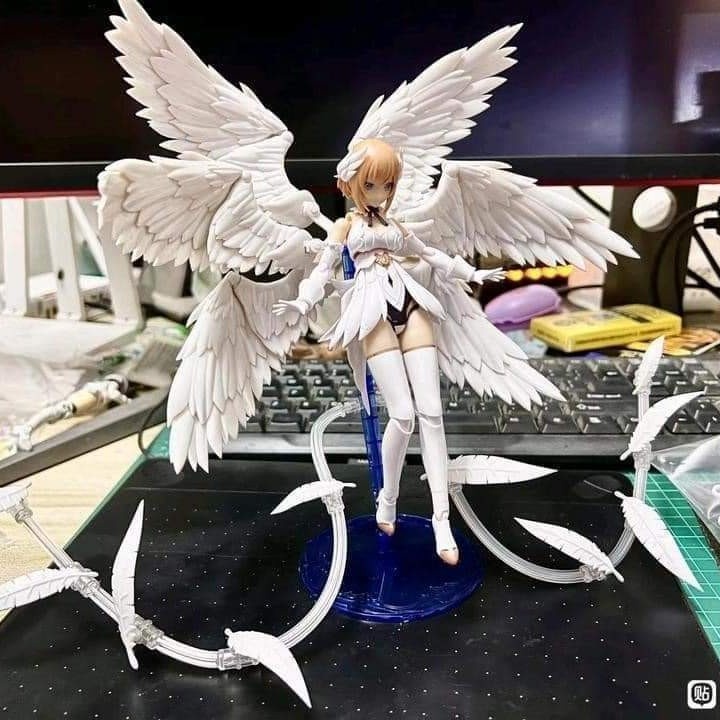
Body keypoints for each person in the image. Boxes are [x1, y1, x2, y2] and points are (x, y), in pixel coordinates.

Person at [273, 138, 506, 565]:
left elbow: (429, 254)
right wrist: (303, 303)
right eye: (372, 185)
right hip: (372, 310)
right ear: (349, 183)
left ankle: (441, 519)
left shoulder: (395, 224)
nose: (381, 193)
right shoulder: (344, 227)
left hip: (409, 302)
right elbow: (323, 269)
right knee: (403, 414)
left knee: (432, 412)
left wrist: (472, 272)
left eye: (388, 185)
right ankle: (388, 499)